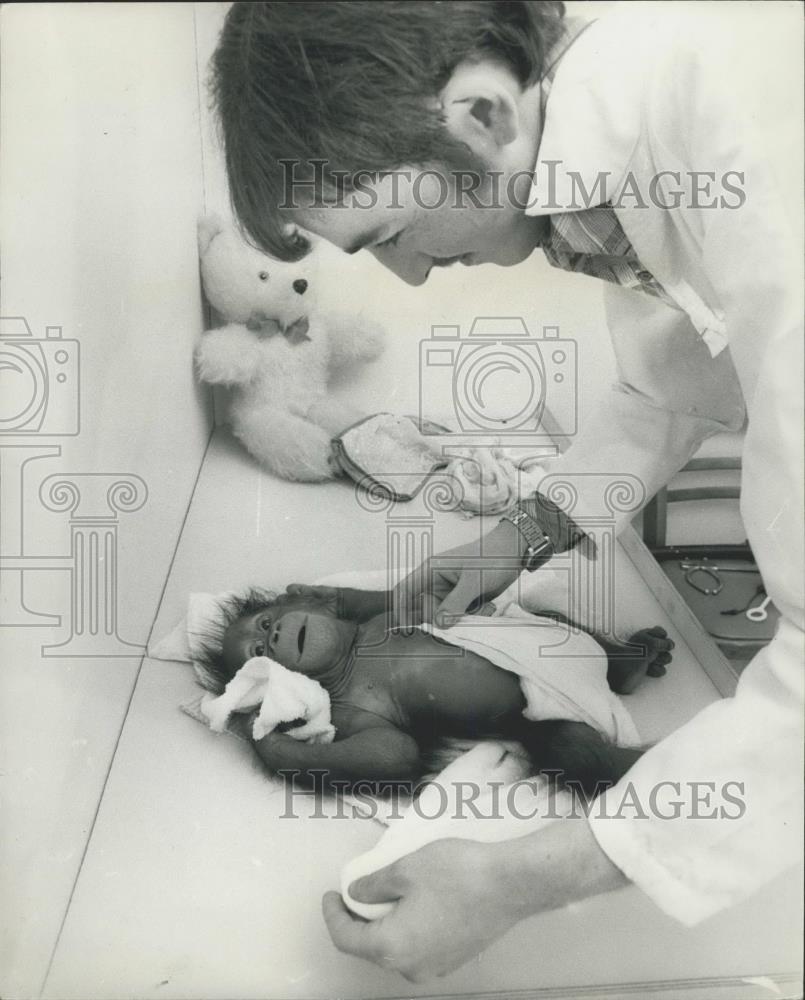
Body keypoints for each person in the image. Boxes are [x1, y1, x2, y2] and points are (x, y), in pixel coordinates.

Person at [210, 1, 803, 982]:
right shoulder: (626, 136)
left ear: (480, 117)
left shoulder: (752, 158)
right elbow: (671, 379)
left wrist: (521, 877)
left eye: (392, 232)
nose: (408, 277)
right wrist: (508, 543)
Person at [197, 582, 672, 793]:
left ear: (304, 605)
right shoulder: (348, 702)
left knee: (536, 614)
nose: (271, 637)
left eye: (266, 622)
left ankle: (617, 661)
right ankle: (674, 771)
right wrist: (294, 758)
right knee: (578, 757)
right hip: (541, 708)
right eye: (259, 651)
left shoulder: (378, 618)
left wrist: (343, 598)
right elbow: (396, 757)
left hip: (531, 635)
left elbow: (405, 595)